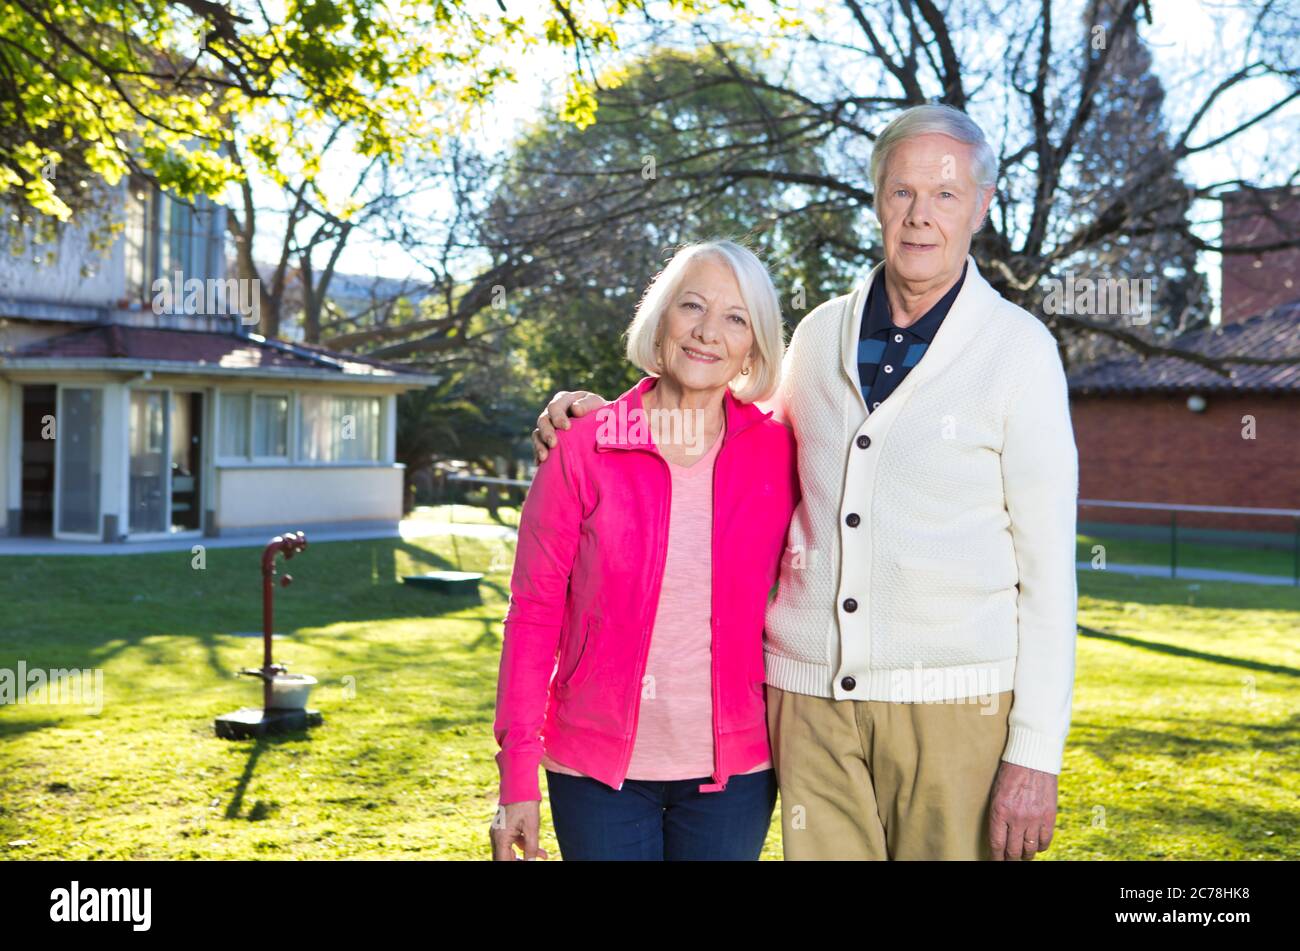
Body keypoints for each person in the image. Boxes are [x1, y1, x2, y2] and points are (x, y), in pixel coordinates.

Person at [531, 104, 1079, 861]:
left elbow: (1050, 573)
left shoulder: (1019, 351)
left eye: (946, 195)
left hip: (954, 705)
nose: (920, 217)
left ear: (981, 206)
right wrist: (599, 415)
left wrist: (1037, 749)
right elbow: (724, 419)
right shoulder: (820, 335)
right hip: (807, 703)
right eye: (901, 192)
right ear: (878, 198)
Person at [490, 239, 799, 861]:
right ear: (661, 319)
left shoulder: (779, 452)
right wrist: (517, 776)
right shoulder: (586, 444)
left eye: (735, 318)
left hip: (734, 776)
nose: (708, 332)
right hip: (596, 774)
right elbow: (533, 614)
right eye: (692, 306)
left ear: (754, 345)